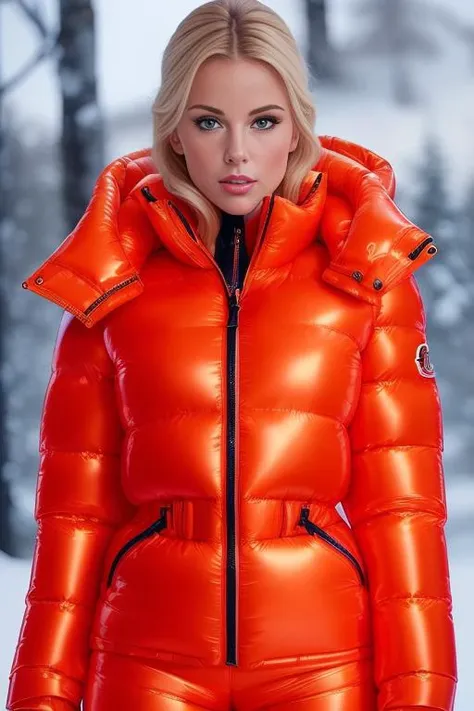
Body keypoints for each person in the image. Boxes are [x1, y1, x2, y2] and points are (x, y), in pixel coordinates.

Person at [6, 0, 458, 709]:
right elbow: (74, 523)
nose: (238, 153)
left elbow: (401, 516)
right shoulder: (113, 278)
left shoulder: (366, 275)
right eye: (209, 121)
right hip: (144, 663)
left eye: (264, 121)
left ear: (296, 128)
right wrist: (39, 697)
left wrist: (421, 696)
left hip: (325, 663)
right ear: (176, 132)